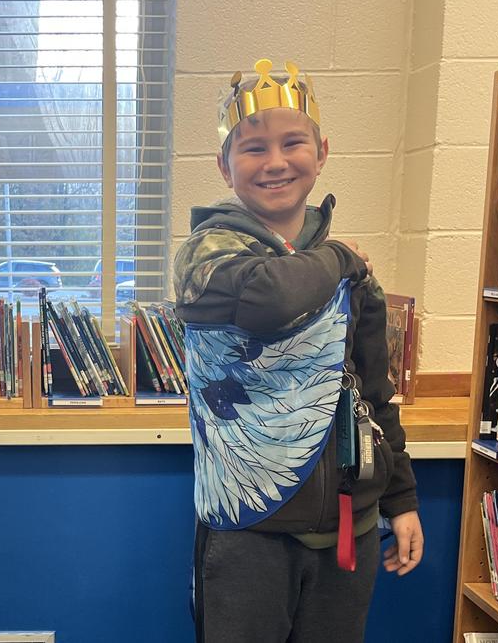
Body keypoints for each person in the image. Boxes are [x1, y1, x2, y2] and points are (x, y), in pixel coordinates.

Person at [174, 59, 424, 642]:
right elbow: (267, 298)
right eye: (254, 148)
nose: (277, 162)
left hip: (347, 522)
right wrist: (341, 257)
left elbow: (373, 389)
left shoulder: (352, 276)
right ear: (224, 165)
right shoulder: (206, 255)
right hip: (248, 528)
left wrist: (401, 499)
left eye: (293, 143)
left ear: (322, 152)